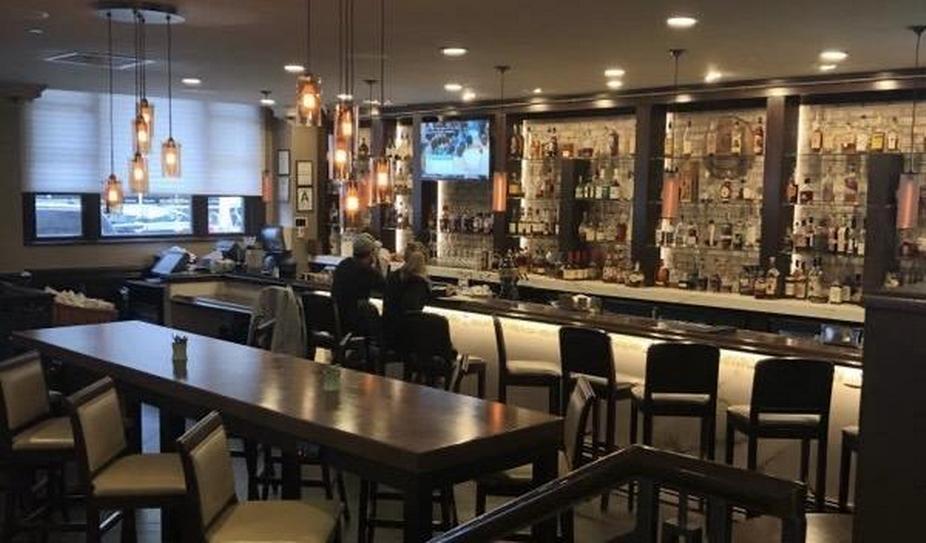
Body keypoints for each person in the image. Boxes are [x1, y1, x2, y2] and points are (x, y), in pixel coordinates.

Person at [331, 233, 385, 335]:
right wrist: (376, 262)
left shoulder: (343, 265)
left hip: (338, 320)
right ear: (370, 254)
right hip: (357, 324)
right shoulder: (367, 272)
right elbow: (384, 287)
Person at [382, 242, 432, 349]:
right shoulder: (418, 283)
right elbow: (413, 307)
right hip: (407, 335)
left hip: (388, 330)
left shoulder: (394, 276)